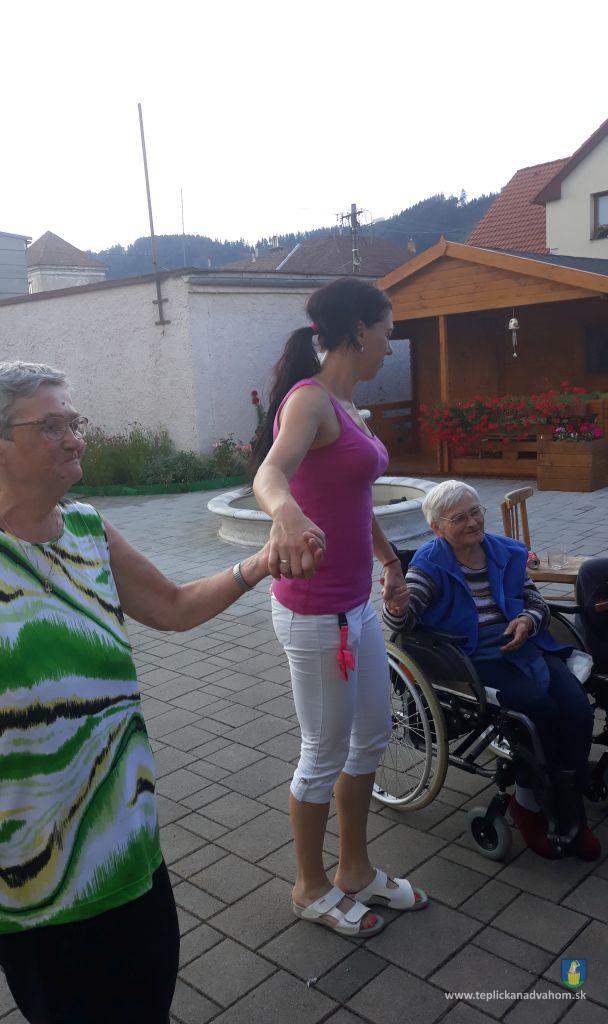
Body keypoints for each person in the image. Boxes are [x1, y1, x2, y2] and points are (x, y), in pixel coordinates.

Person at [0, 361, 323, 1024]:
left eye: (75, 422)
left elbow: (174, 606)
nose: (74, 438)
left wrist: (259, 563)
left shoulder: (89, 530)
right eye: (51, 426)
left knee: (148, 999)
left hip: (122, 838)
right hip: (23, 866)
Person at [251, 277, 428, 939]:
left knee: (373, 735)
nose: (390, 344)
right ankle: (310, 886)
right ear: (360, 330)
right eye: (388, 331)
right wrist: (288, 513)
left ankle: (354, 869)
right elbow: (270, 473)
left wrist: (389, 560)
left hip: (356, 607)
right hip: (315, 612)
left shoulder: (349, 407)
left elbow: (356, 498)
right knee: (323, 751)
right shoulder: (309, 400)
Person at [381, 479, 600, 861]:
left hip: (526, 647)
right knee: (540, 712)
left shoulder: (505, 551)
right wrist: (396, 607)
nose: (472, 523)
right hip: (473, 659)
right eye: (459, 518)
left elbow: (536, 602)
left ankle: (566, 795)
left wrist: (527, 621)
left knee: (578, 708)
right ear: (436, 527)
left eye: (475, 512)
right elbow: (405, 618)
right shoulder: (429, 564)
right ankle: (537, 808)